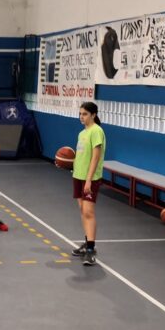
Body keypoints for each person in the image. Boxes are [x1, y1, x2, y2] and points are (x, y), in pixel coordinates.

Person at [70, 101, 105, 266]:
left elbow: (95, 157)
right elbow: (81, 156)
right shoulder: (81, 133)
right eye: (80, 114)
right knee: (83, 211)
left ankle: (91, 250)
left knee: (89, 212)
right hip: (78, 176)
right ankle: (87, 243)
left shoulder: (96, 131)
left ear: (93, 115)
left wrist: (89, 180)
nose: (81, 117)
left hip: (89, 178)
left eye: (85, 114)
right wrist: (69, 165)